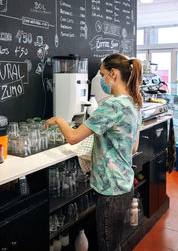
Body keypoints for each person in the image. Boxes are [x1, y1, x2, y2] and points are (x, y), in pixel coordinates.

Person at [45, 53, 143, 251]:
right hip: (124, 185)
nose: (101, 80)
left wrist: (59, 120)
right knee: (113, 243)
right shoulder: (134, 103)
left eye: (102, 75)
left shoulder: (112, 106)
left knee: (107, 246)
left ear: (113, 74)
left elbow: (73, 137)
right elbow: (133, 147)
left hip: (110, 190)